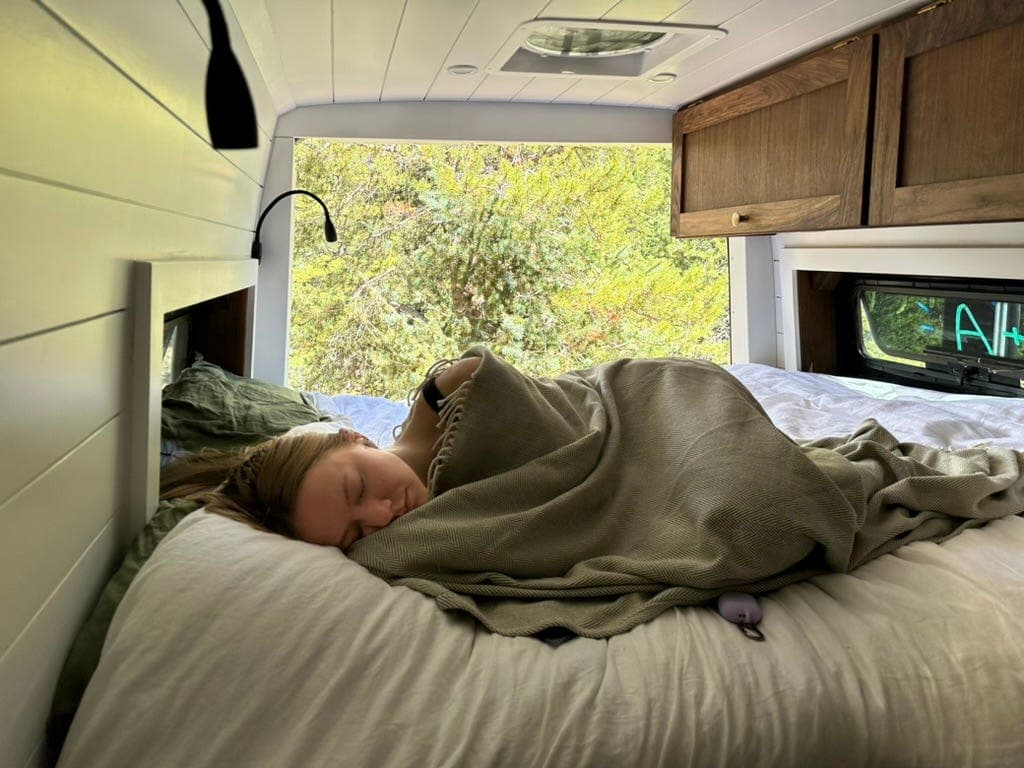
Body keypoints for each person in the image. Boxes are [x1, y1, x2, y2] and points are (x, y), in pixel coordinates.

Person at [159, 356, 482, 549]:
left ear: (357, 438)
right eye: (353, 534)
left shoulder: (460, 391)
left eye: (358, 488)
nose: (381, 517)